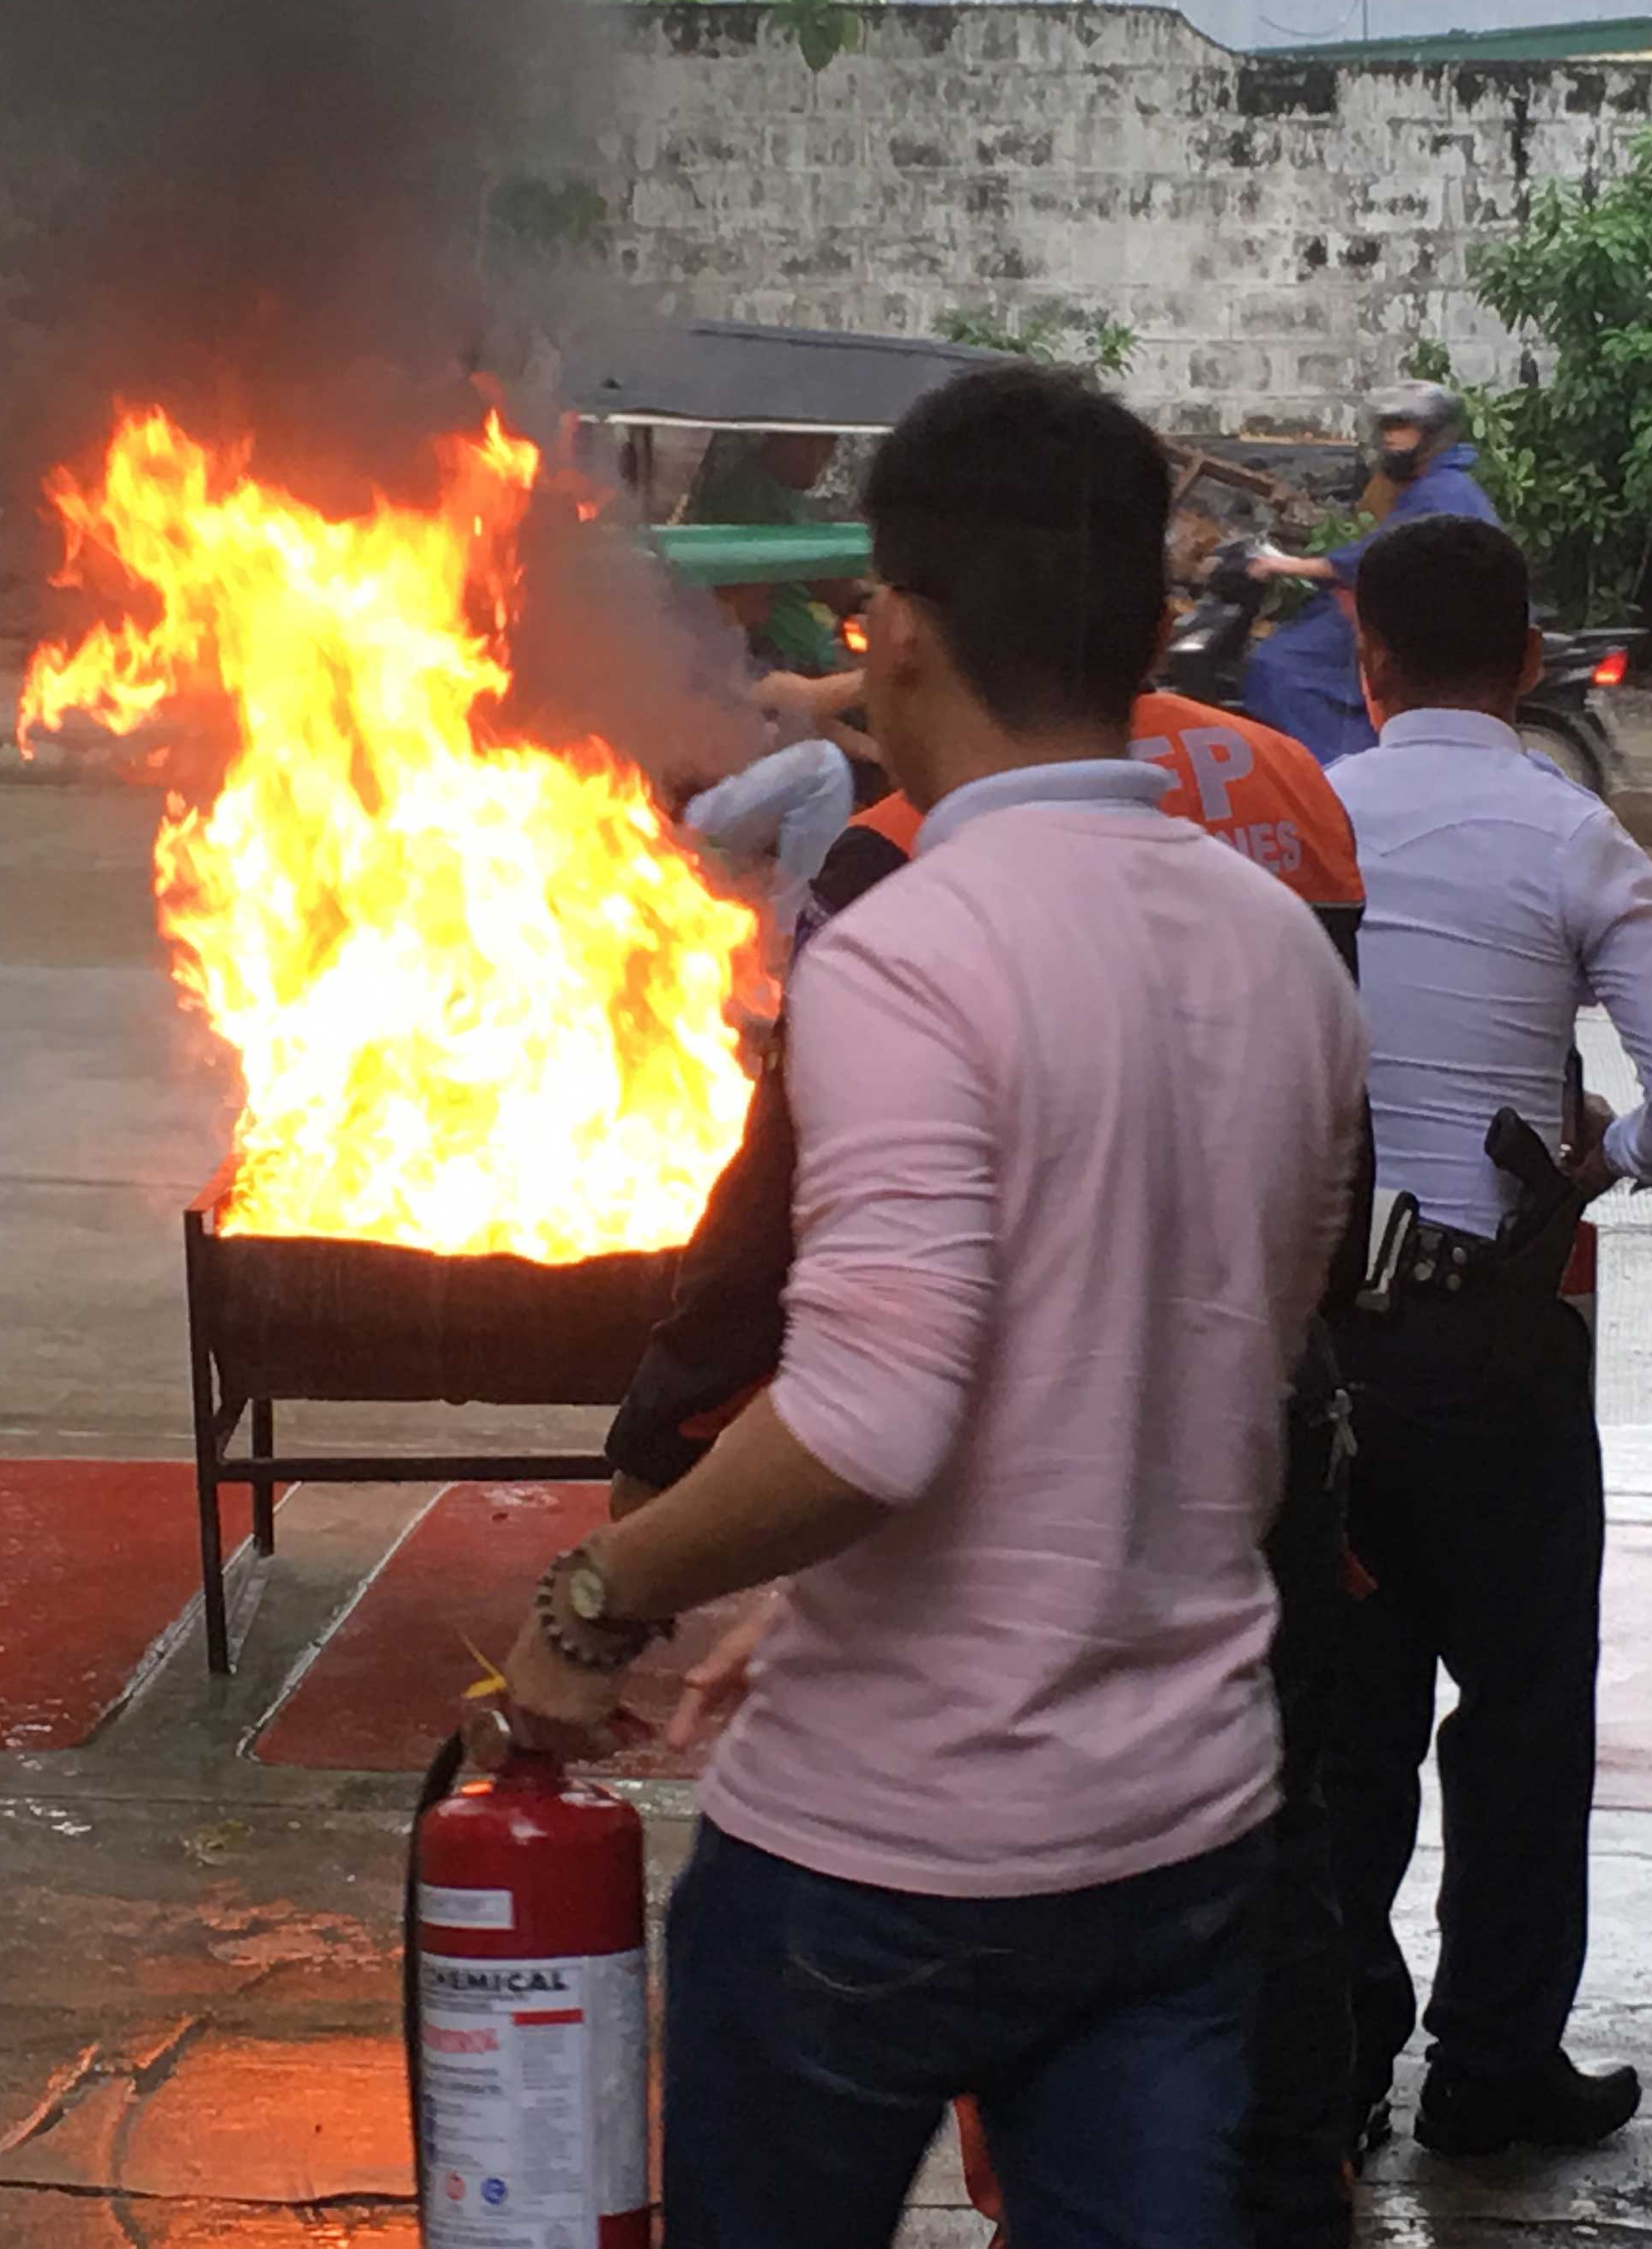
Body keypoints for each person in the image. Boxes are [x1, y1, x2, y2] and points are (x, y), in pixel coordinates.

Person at [501, 365, 1371, 2249]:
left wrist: (596, 1594)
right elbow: (1205, 1355)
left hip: (885, 1858)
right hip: (1181, 1840)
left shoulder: (906, 950)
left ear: (891, 631)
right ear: (1143, 629)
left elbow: (871, 1418)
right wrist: (812, 1594)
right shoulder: (1279, 954)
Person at [1322, 512, 1652, 2160]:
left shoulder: (1307, 822)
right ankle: (1491, 2068)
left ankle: (1335, 2063)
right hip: (1499, 1350)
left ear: (1363, 662)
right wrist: (1604, 1156)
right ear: (1521, 665)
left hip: (1325, 1353)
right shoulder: (1574, 841)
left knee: (1341, 1726)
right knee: (1520, 1713)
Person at [1240, 383, 1499, 765]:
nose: (1390, 438)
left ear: (1433, 434)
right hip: (1406, 611)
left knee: (1279, 665)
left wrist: (1283, 565)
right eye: (1386, 427)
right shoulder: (1435, 485)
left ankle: (1332, 771)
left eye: (1402, 426)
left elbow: (1375, 557)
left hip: (1414, 620)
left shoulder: (1442, 492)